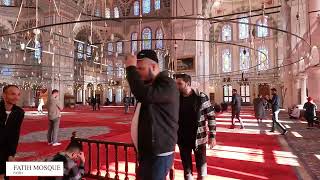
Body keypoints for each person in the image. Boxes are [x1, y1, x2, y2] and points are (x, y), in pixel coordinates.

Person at [125, 50, 179, 180]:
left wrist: (130, 69)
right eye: (136, 69)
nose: (137, 72)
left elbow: (143, 94)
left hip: (158, 153)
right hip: (149, 152)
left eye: (140, 68)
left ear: (153, 67)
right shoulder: (152, 86)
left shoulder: (167, 84)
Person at [175, 73, 216, 180]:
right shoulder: (176, 98)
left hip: (199, 138)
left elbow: (211, 116)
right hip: (182, 139)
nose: (177, 86)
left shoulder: (201, 97)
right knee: (187, 170)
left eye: (179, 84)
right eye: (176, 84)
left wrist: (212, 136)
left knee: (202, 169)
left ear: (188, 83)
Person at [0, 85, 25, 180]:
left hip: (6, 149)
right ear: (4, 95)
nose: (16, 97)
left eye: (18, 94)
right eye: (13, 94)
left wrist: (11, 153)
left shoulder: (19, 112)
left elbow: (15, 134)